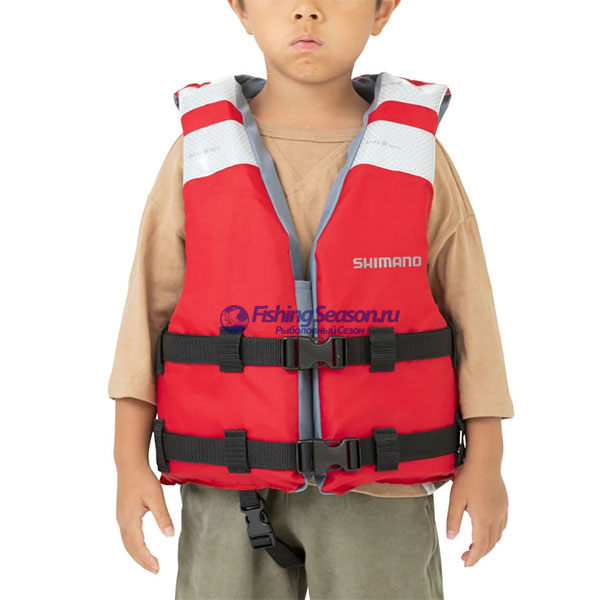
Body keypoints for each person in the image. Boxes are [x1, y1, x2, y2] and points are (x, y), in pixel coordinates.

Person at [109, 1, 514, 598]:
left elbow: (471, 313)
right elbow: (147, 314)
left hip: (380, 484)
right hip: (228, 480)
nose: (307, 11)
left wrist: (487, 460)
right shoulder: (200, 154)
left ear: (382, 10)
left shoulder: (414, 154)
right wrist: (128, 462)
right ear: (241, 9)